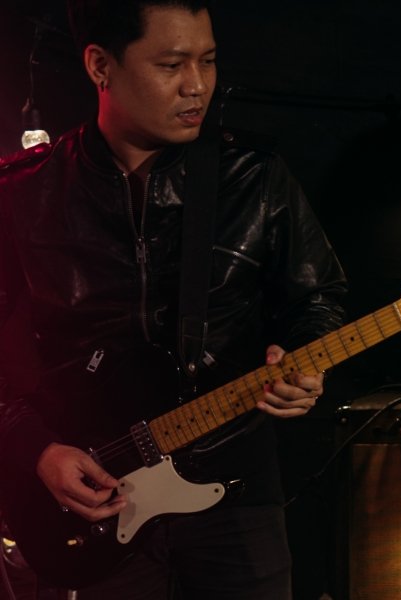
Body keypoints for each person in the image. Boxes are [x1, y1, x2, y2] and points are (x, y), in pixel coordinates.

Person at [0, 0, 347, 597]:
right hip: (85, 498)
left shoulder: (253, 176)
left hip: (235, 491)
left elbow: (318, 300)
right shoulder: (21, 192)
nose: (197, 86)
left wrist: (304, 359)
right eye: (171, 64)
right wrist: (35, 448)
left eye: (208, 61)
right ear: (100, 66)